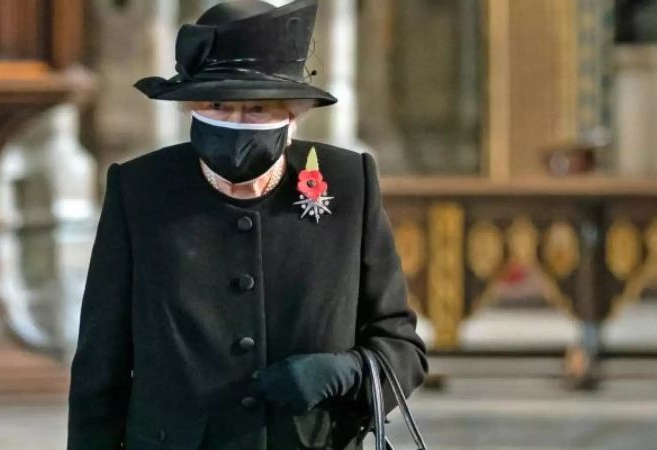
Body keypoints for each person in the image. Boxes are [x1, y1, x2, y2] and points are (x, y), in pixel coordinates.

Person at [67, 1, 428, 449]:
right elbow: (100, 364)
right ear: (193, 109)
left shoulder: (351, 184)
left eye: (256, 108)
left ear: (292, 117)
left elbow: (402, 348)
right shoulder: (140, 190)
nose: (234, 122)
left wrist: (342, 373)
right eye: (217, 105)